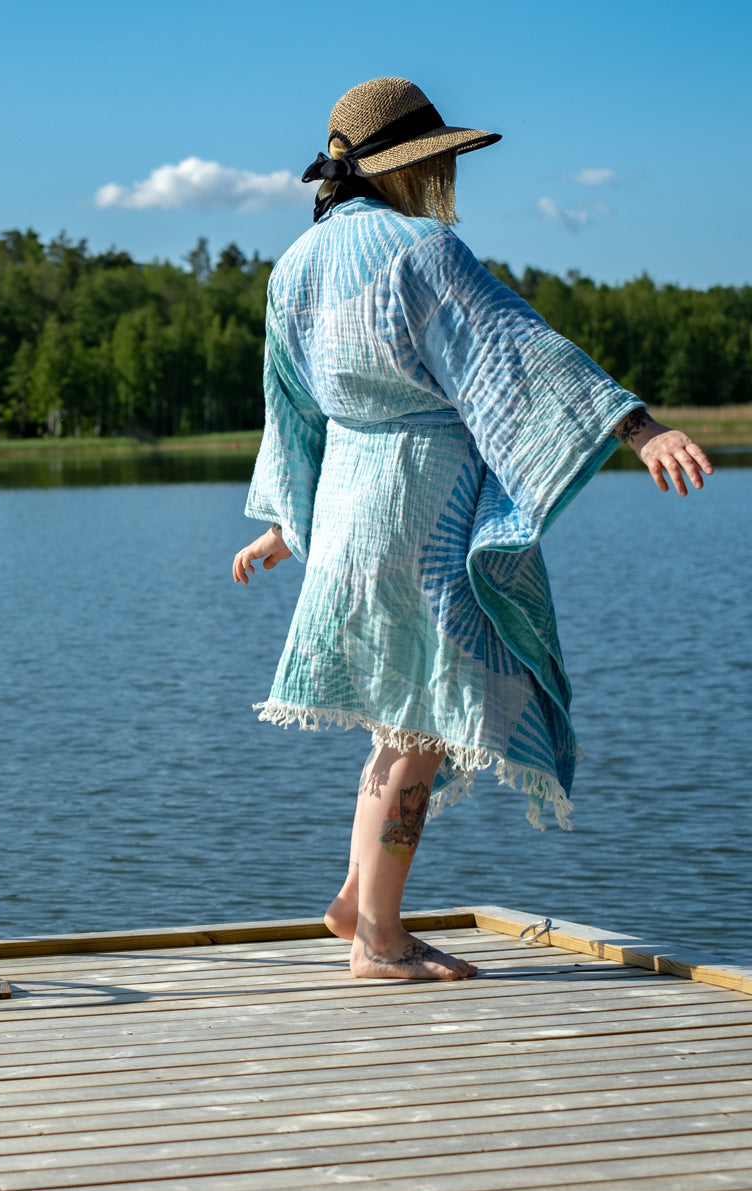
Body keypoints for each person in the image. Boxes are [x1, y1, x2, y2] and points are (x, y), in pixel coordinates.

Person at [232, 78, 712, 982]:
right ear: (411, 165)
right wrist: (643, 430)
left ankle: (355, 899)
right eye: (441, 158)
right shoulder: (423, 250)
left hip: (348, 509)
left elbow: (289, 415)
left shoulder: (295, 266)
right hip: (419, 505)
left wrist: (291, 529)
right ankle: (380, 939)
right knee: (418, 728)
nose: (449, 172)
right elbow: (523, 356)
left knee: (400, 721)